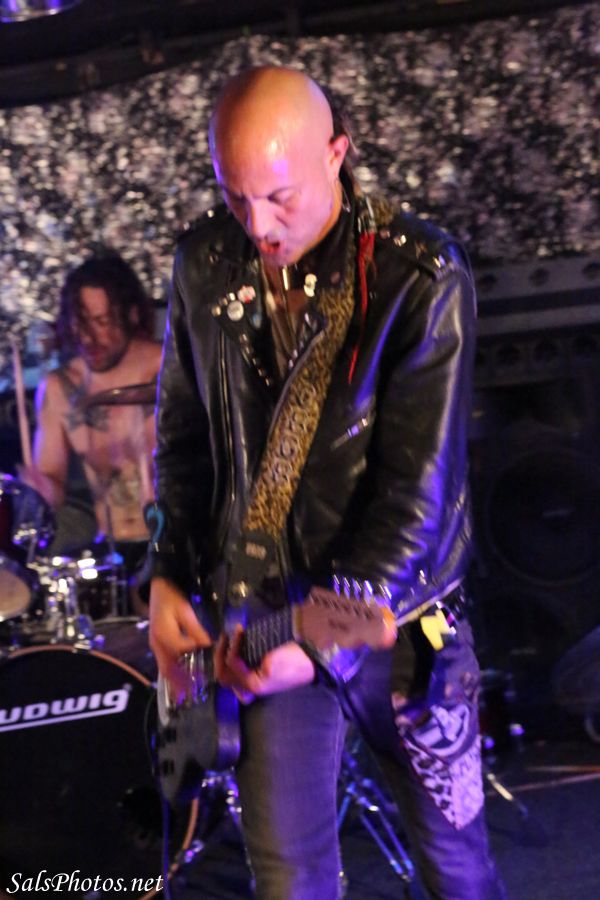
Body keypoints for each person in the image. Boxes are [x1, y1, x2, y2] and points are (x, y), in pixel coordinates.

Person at [148, 66, 506, 899]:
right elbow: (182, 443)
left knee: (457, 868)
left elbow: (417, 497)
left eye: (279, 196)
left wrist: (320, 641)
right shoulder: (204, 263)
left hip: (404, 618)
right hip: (266, 614)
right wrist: (164, 573)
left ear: (336, 154)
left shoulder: (421, 275)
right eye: (235, 197)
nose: (258, 225)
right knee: (290, 877)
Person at [21, 253, 162, 614]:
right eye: (81, 324)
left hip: (171, 544)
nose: (89, 337)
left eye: (102, 322)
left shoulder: (167, 368)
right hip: (108, 552)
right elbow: (52, 485)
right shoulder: (61, 387)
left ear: (132, 315)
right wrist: (39, 490)